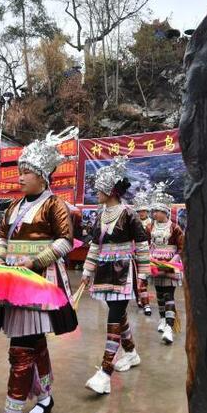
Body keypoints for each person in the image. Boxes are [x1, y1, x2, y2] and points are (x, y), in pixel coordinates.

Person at [0, 127, 79, 413]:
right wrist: (0, 256)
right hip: (13, 279)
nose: (19, 178)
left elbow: (66, 241)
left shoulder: (55, 205)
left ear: (41, 177)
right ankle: (45, 398)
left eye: (26, 173)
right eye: (20, 172)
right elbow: (0, 235)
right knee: (34, 343)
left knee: (20, 350)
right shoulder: (14, 207)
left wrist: (36, 262)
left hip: (39, 279)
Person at [79, 157, 150, 395]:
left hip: (122, 270)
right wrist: (88, 270)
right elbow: (95, 246)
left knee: (113, 316)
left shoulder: (128, 213)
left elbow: (141, 245)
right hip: (104, 269)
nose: (95, 192)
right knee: (118, 316)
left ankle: (105, 372)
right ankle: (131, 352)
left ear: (110, 190)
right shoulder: (101, 214)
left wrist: (143, 274)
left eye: (98, 189)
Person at [147, 183, 185, 344]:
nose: (155, 214)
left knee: (169, 295)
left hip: (170, 265)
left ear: (165, 212)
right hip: (155, 264)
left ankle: (169, 327)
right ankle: (162, 319)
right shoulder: (150, 227)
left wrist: (172, 262)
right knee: (160, 295)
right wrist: (149, 258)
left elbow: (182, 248)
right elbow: (146, 245)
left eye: (158, 211)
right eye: (154, 211)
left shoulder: (175, 228)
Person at [132, 187, 153, 316]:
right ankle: (140, 299)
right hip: (134, 254)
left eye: (143, 211)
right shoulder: (133, 223)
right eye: (139, 211)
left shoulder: (152, 224)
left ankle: (146, 304)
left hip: (148, 254)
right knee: (136, 279)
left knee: (143, 280)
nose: (141, 213)